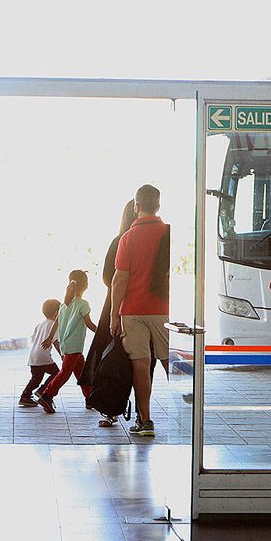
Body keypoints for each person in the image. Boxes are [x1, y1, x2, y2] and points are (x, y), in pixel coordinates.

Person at [110, 184, 170, 437]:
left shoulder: (128, 238)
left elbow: (119, 279)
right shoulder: (168, 234)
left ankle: (145, 421)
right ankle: (194, 414)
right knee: (171, 362)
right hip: (164, 309)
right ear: (158, 206)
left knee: (140, 365)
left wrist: (115, 315)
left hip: (133, 310)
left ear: (136, 207)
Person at [78, 200, 137, 410]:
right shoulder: (155, 238)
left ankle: (109, 406)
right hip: (140, 307)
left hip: (114, 304)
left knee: (111, 358)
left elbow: (107, 277)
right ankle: (140, 412)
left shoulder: (118, 240)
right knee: (139, 361)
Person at [37, 270, 97, 414]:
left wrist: (50, 338)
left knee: (82, 372)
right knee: (64, 373)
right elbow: (89, 324)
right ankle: (47, 395)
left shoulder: (63, 306)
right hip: (74, 346)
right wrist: (103, 333)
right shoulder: (83, 304)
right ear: (86, 285)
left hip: (66, 345)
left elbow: (56, 323)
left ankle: (90, 399)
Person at [21, 299, 62, 408]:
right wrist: (63, 355)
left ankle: (25, 396)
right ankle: (43, 391)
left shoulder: (40, 324)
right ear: (56, 313)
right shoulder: (53, 325)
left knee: (35, 379)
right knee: (57, 373)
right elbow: (55, 342)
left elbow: (33, 339)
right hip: (43, 357)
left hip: (33, 356)